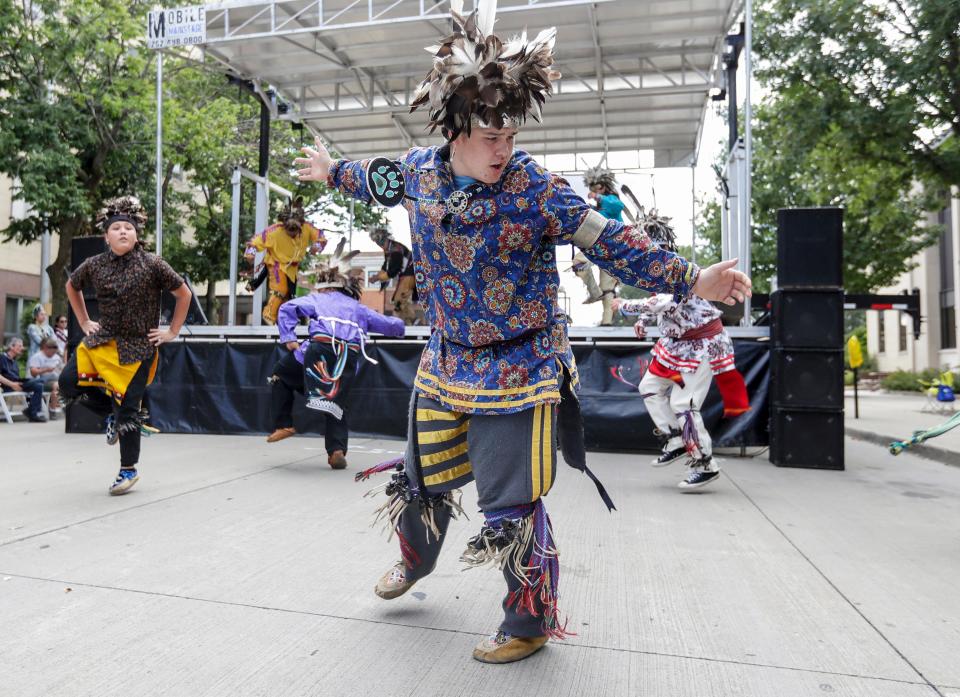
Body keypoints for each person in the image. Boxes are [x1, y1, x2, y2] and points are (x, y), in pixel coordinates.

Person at [295, 0, 750, 665]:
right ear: (455, 129)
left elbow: (611, 241)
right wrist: (330, 170)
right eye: (490, 137)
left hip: (521, 360)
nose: (504, 150)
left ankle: (530, 618)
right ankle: (415, 563)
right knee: (421, 479)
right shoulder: (418, 171)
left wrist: (692, 276)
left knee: (509, 501)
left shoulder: (536, 187)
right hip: (446, 356)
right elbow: (372, 178)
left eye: (510, 136)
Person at [59, 196, 192, 495]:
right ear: (106, 236)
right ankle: (109, 415)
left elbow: (184, 295)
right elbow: (71, 286)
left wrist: (172, 331)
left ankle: (127, 470)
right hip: (103, 339)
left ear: (136, 234)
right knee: (67, 383)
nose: (122, 232)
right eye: (116, 228)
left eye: (127, 228)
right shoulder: (94, 265)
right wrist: (83, 322)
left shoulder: (153, 263)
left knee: (129, 412)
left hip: (137, 347)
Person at [614, 212, 751, 491]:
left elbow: (662, 302)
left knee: (683, 404)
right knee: (649, 386)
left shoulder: (677, 269)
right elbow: (664, 306)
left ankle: (706, 463)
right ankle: (675, 437)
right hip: (678, 345)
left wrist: (625, 307)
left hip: (702, 346)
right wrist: (642, 321)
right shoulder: (656, 272)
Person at [267, 239, 405, 468]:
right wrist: (402, 324)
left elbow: (287, 308)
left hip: (318, 352)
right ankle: (336, 450)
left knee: (280, 374)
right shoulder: (357, 308)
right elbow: (391, 325)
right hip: (346, 359)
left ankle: (284, 423)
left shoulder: (318, 299)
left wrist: (289, 338)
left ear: (325, 283)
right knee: (335, 401)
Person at [244, 197, 327, 325]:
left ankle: (282, 320)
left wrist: (317, 247)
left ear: (301, 225)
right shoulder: (274, 231)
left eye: (295, 230)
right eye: (289, 230)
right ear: (284, 225)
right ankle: (268, 316)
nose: (292, 233)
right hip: (276, 263)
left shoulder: (307, 228)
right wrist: (250, 253)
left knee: (290, 295)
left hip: (293, 267)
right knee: (280, 289)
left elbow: (320, 237)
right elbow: (255, 241)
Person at [571, 165, 633, 326]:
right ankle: (594, 292)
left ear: (603, 187)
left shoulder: (611, 201)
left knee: (607, 286)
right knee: (579, 262)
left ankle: (607, 322)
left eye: (597, 188)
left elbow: (617, 206)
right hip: (597, 245)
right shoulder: (598, 208)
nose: (594, 191)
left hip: (613, 246)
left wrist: (598, 198)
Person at [369, 227, 418, 324]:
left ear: (383, 241)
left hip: (410, 272)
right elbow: (386, 266)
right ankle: (409, 321)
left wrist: (378, 278)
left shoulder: (396, 250)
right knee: (398, 300)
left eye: (379, 243)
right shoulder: (389, 249)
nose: (379, 245)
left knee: (399, 299)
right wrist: (378, 276)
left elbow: (393, 271)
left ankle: (410, 321)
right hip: (407, 273)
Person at [0, 337, 46, 421]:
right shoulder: (2, 358)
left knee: (39, 385)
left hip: (18, 383)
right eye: (20, 346)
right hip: (9, 386)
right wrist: (12, 384)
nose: (22, 348)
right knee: (41, 381)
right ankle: (32, 411)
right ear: (11, 347)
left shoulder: (14, 361)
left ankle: (32, 412)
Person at [28, 336, 63, 414]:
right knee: (57, 385)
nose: (53, 354)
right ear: (46, 348)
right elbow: (33, 373)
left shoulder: (56, 357)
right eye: (52, 352)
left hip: (57, 380)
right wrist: (46, 369)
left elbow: (62, 368)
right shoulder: (37, 357)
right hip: (42, 381)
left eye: (55, 352)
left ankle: (53, 408)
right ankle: (52, 410)